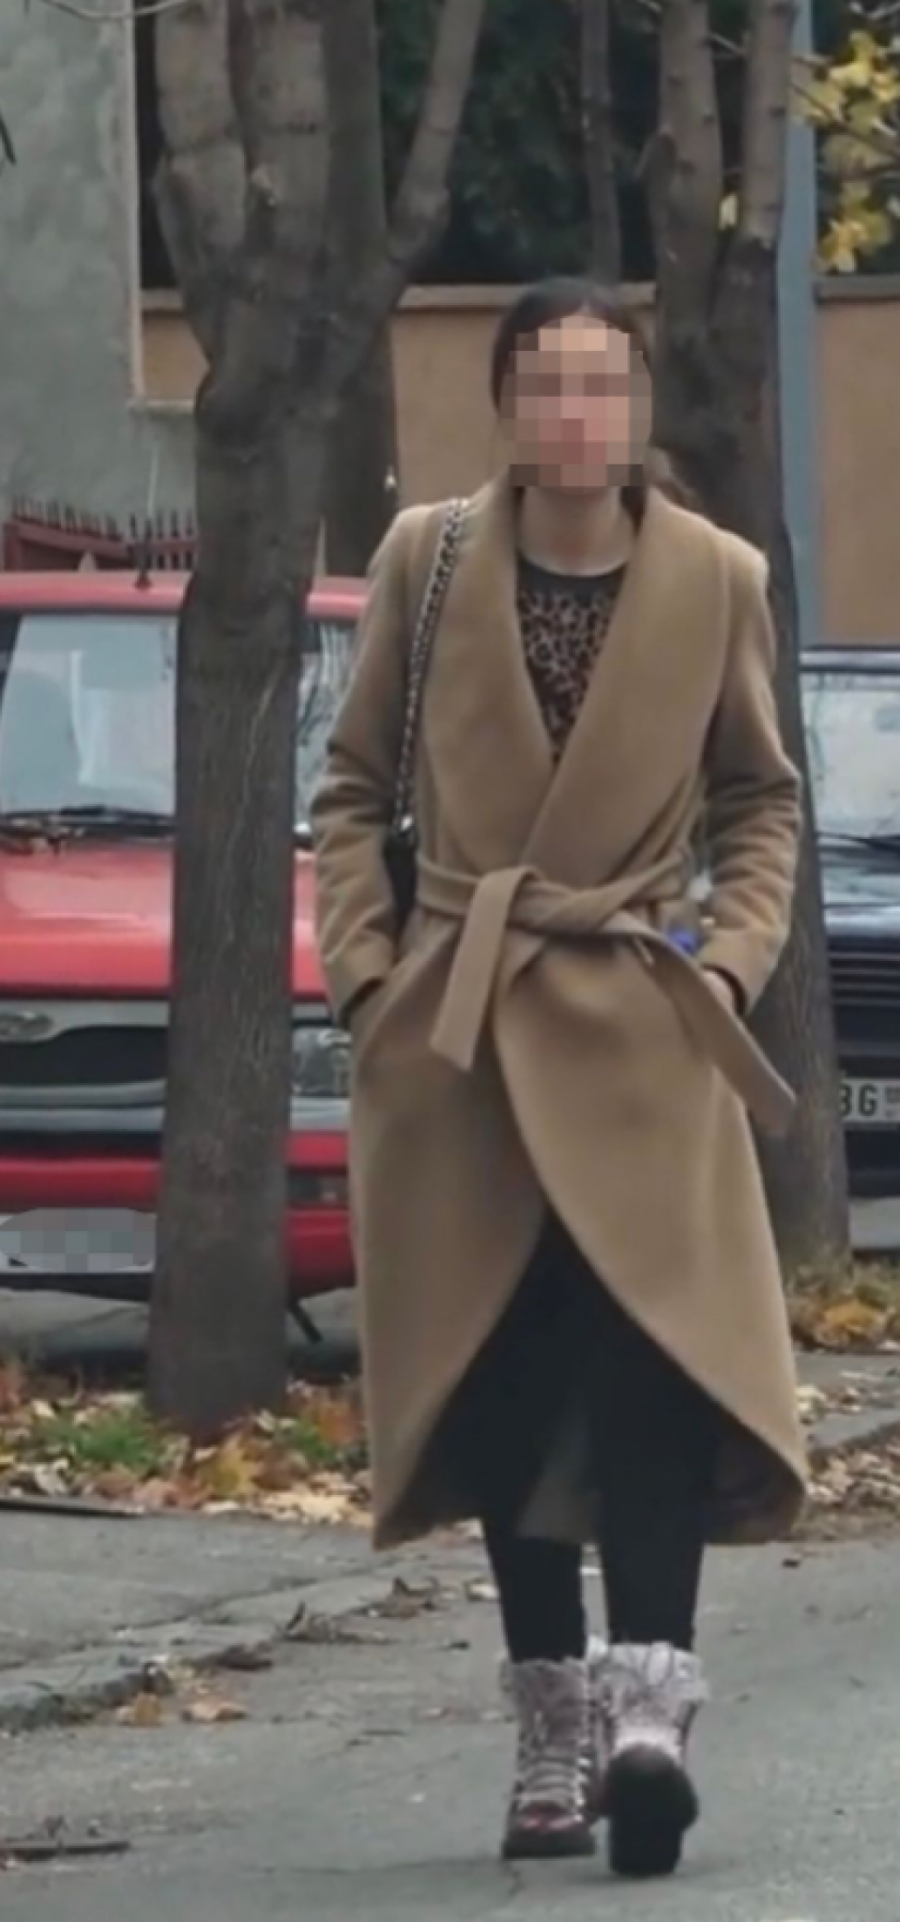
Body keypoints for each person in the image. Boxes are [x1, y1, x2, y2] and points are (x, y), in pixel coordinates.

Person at [312, 276, 807, 1881]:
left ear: (641, 406)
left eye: (605, 384)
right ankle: (549, 1729)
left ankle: (648, 1713)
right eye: (548, 384)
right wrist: (371, 979)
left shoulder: (716, 576)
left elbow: (760, 804)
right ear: (506, 406)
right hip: (461, 1037)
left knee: (652, 1362)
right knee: (504, 1376)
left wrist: (722, 969)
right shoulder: (427, 556)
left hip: (642, 1035)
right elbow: (350, 785)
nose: (578, 415)